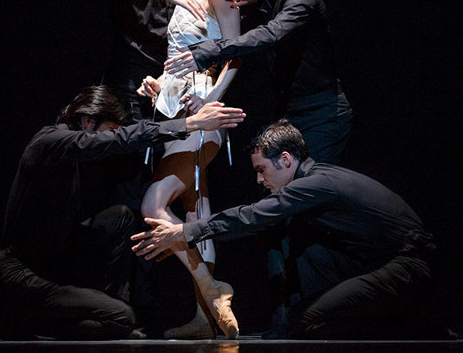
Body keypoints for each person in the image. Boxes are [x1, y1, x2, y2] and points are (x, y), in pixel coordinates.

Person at [132, 120, 442, 339]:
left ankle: (418, 324)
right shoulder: (316, 181)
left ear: (285, 159)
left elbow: (253, 216)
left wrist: (184, 231)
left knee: (308, 322)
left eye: (261, 170)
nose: (259, 180)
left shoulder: (314, 184)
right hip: (395, 261)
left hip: (411, 265)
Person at [0, 85, 245, 340]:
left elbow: (129, 134)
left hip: (56, 263)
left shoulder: (73, 155)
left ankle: (110, 314)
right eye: (109, 129)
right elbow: (120, 139)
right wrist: (190, 123)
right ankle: (23, 321)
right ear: (88, 121)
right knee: (121, 317)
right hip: (23, 274)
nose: (110, 138)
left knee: (120, 217)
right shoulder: (50, 142)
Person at [164, 0, 352, 165]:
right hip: (288, 111)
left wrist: (207, 52)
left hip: (321, 113)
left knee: (307, 187)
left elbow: (271, 34)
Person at [136, 0, 243, 340]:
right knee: (199, 212)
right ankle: (204, 319)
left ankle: (212, 288)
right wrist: (159, 83)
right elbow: (177, 57)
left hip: (200, 113)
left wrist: (211, 97)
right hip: (173, 111)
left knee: (153, 204)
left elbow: (236, 54)